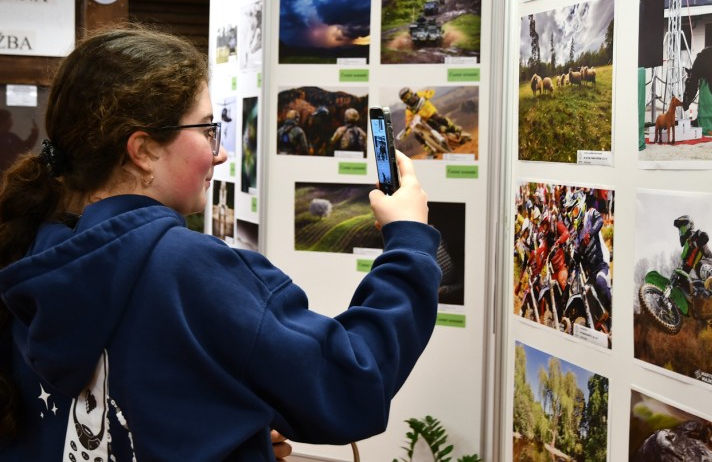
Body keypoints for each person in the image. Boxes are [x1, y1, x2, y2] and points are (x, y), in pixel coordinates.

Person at [0, 26, 441, 461]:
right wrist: (408, 244)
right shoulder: (191, 269)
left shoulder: (30, 253)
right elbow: (352, 387)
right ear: (144, 150)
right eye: (208, 130)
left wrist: (223, 423)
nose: (221, 153)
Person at [565, 192, 611, 316]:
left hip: (602, 265)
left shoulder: (590, 214)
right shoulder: (576, 235)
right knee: (584, 295)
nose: (572, 217)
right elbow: (576, 256)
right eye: (570, 215)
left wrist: (590, 233)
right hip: (591, 274)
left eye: (574, 212)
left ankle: (614, 313)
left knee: (600, 282)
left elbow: (600, 221)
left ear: (580, 206)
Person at [397, 87, 471, 155]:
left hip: (431, 113)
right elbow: (408, 121)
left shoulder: (419, 94)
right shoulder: (409, 109)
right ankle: (429, 149)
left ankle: (454, 128)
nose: (408, 98)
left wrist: (426, 96)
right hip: (424, 121)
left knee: (439, 118)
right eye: (404, 98)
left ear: (411, 92)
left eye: (407, 95)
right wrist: (406, 132)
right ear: (403, 101)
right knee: (417, 133)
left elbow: (431, 92)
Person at [673, 215, 712, 295]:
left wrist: (695, 242)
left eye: (683, 229)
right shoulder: (686, 254)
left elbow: (705, 237)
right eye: (680, 231)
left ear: (689, 226)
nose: (681, 233)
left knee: (699, 265)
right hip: (702, 275)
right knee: (693, 284)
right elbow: (684, 272)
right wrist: (677, 280)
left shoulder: (696, 236)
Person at [0, 109, 39, 177]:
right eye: (9, 120)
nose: (12, 122)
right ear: (3, 122)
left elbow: (24, 148)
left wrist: (34, 135)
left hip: (10, 174)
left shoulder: (12, 137)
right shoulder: (9, 138)